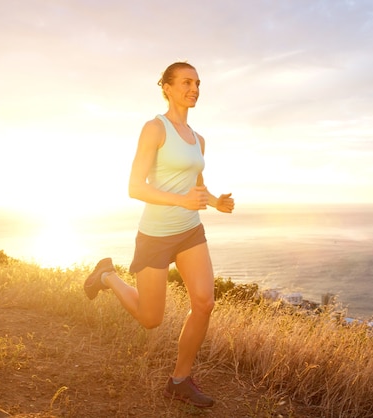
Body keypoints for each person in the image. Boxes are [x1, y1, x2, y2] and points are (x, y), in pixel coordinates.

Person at [84, 61, 234, 408]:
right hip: (155, 235)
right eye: (185, 82)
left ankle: (179, 380)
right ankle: (106, 275)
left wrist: (214, 202)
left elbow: (196, 186)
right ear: (166, 87)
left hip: (189, 231)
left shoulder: (199, 140)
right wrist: (181, 200)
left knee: (205, 302)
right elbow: (135, 187)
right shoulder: (155, 128)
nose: (193, 88)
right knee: (150, 319)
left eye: (197, 83)